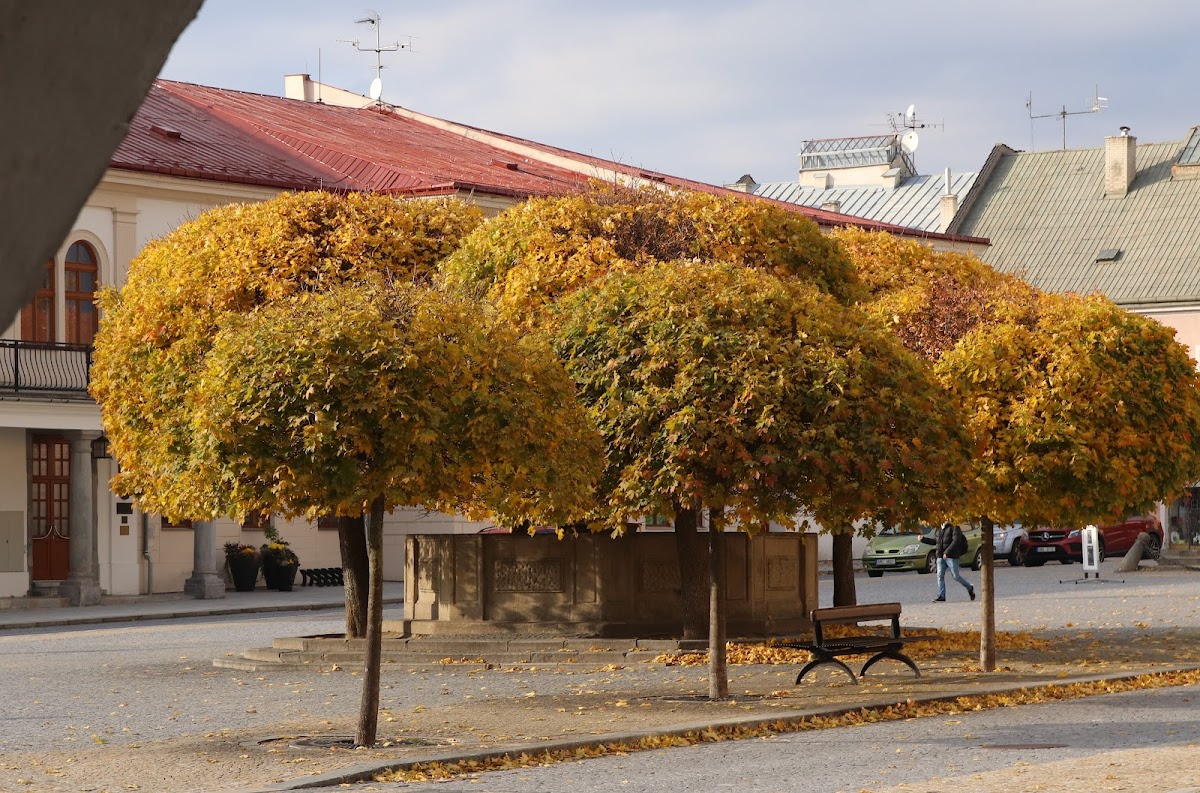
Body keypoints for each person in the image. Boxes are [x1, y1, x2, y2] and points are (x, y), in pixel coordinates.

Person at [922, 522, 975, 602]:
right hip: (940, 555)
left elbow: (956, 541)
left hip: (952, 556)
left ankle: (969, 587)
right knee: (940, 576)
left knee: (956, 576)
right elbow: (936, 541)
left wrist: (947, 552)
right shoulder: (938, 528)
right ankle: (941, 595)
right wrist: (923, 539)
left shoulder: (954, 527)